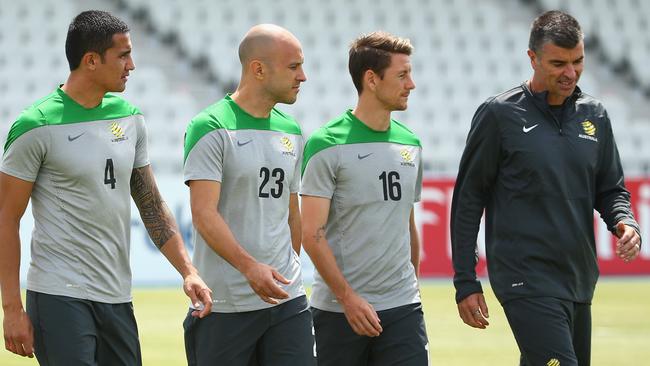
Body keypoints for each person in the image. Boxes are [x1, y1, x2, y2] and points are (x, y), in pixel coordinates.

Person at [0, 10, 212, 365]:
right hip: (59, 295)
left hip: (117, 296)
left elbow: (150, 203)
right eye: (124, 55)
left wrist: (188, 271)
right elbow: (6, 218)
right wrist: (11, 308)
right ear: (92, 61)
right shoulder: (35, 125)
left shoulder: (129, 117)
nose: (132, 65)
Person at [451, 10, 642, 366]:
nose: (570, 73)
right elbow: (468, 200)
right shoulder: (499, 115)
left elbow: (610, 188)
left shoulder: (595, 115)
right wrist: (466, 280)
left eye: (578, 61)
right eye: (558, 63)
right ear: (532, 58)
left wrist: (624, 221)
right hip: (524, 277)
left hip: (578, 277)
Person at [182, 24, 314, 365]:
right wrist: (251, 268)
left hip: (288, 302)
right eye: (294, 66)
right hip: (225, 306)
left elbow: (291, 211)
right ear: (258, 69)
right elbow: (203, 214)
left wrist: (291, 269)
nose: (303, 76)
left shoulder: (292, 130)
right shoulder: (210, 126)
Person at [300, 31, 428, 366]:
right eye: (402, 75)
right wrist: (347, 298)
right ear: (371, 79)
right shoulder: (326, 144)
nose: (411, 84)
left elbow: (407, 222)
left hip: (403, 308)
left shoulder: (411, 144)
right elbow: (311, 233)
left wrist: (412, 286)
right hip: (339, 311)